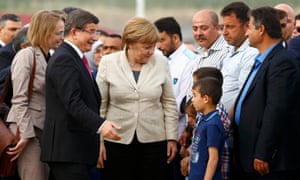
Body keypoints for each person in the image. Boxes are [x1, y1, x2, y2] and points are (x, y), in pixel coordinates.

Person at [40, 9, 121, 180]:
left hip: (75, 151)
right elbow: (73, 102)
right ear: (74, 32)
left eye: (96, 32)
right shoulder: (65, 59)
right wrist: (101, 125)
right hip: (67, 150)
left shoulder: (75, 57)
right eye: (91, 31)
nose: (95, 37)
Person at [96, 16, 178, 180]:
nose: (151, 51)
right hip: (116, 141)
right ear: (131, 43)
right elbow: (100, 105)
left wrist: (171, 138)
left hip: (154, 141)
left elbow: (168, 102)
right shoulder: (108, 62)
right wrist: (99, 142)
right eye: (146, 47)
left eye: (153, 46)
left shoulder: (161, 62)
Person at [232, 6, 300, 179]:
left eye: (250, 28)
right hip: (249, 153)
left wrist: (263, 152)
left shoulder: (282, 62)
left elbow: (276, 109)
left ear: (261, 30)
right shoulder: (263, 60)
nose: (246, 34)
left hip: (269, 161)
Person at [5, 10, 65, 180]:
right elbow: (19, 98)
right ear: (45, 31)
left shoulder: (51, 56)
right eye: (58, 32)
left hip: (45, 131)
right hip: (28, 131)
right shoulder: (26, 55)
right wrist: (25, 134)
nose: (62, 37)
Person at [154, 16, 196, 180]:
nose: (158, 45)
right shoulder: (158, 58)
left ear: (176, 38)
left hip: (178, 137)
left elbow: (183, 103)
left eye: (162, 40)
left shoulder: (190, 61)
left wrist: (153, 109)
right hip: (158, 135)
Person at [220, 1, 258, 111]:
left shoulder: (251, 53)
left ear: (246, 26)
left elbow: (244, 95)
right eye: (223, 27)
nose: (224, 32)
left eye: (230, 27)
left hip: (236, 123)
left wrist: (229, 122)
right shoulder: (231, 50)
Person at [189, 77, 225, 180]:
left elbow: (213, 158)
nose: (192, 99)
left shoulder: (212, 124)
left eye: (195, 95)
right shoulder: (204, 119)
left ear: (206, 99)